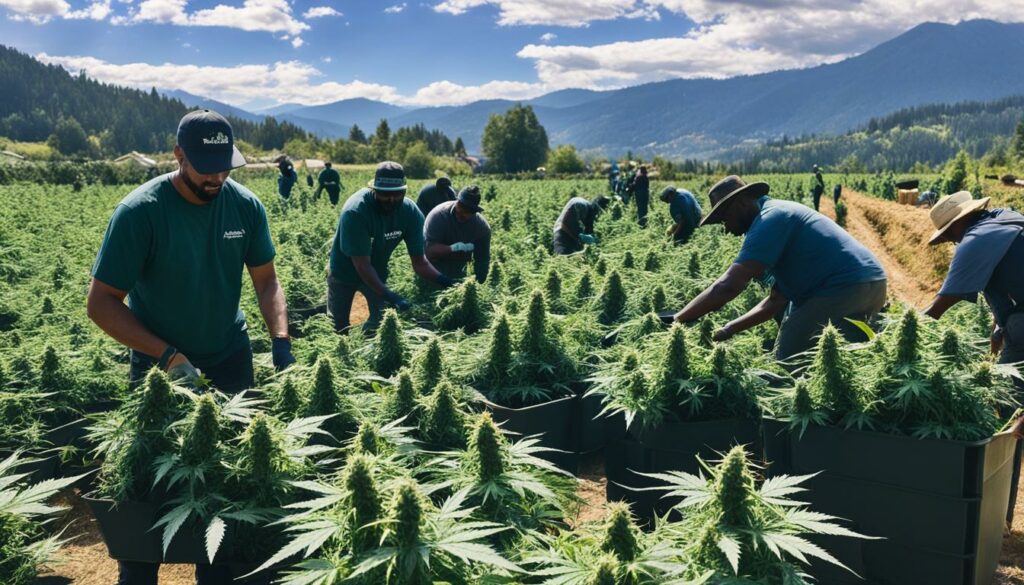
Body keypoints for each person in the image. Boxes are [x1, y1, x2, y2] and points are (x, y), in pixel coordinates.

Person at [86, 109, 295, 585]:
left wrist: (280, 338)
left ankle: (216, 573)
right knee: (152, 482)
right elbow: (101, 303)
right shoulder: (140, 212)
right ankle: (138, 573)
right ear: (178, 154)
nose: (216, 176)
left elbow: (266, 281)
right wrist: (167, 356)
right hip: (160, 371)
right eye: (205, 167)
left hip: (228, 361)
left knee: (226, 481)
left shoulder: (244, 207)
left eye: (225, 166)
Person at [673, 175, 887, 362]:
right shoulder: (778, 212)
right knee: (847, 356)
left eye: (724, 219)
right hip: (872, 284)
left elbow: (728, 286)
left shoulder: (769, 219)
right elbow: (776, 300)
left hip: (841, 289)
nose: (726, 228)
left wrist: (678, 319)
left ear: (740, 204)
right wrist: (730, 329)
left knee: (788, 363)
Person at [922, 191, 1024, 527]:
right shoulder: (1006, 218)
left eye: (950, 236)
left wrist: (902, 333)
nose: (952, 243)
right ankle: (1002, 510)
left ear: (954, 228)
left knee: (1009, 415)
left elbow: (939, 307)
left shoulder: (974, 241)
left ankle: (996, 514)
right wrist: (999, 324)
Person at [327, 161, 456, 333]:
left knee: (380, 325)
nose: (391, 199)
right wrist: (390, 295)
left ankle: (369, 352)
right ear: (374, 190)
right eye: (384, 194)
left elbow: (420, 261)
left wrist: (445, 281)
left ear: (404, 191)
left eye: (397, 194)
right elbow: (362, 264)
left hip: (377, 273)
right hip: (344, 274)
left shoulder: (410, 213)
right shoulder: (356, 212)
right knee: (339, 326)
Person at [424, 185, 492, 283]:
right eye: (461, 206)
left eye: (467, 211)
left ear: (474, 212)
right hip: (433, 265)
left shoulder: (481, 228)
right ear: (457, 202)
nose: (462, 213)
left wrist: (479, 283)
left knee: (458, 284)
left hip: (459, 265)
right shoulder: (439, 216)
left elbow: (483, 258)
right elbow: (429, 251)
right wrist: (453, 248)